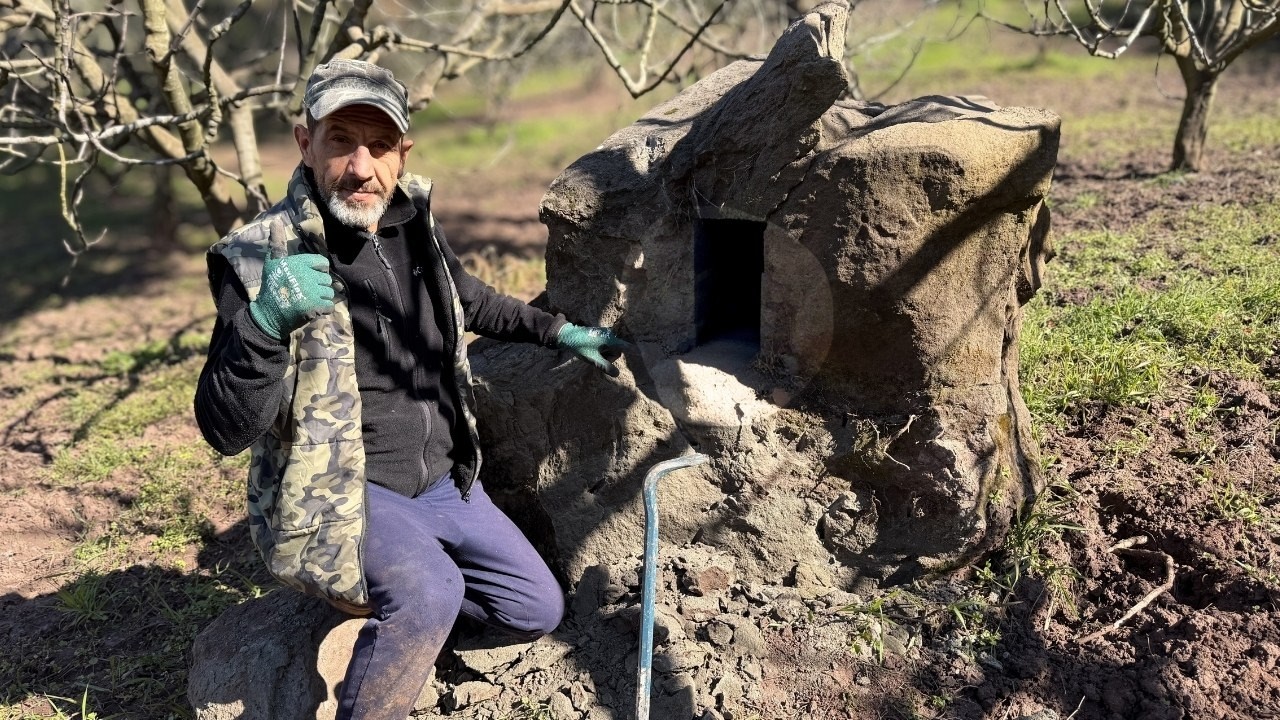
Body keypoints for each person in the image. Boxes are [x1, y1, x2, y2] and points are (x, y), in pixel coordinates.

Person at [193, 58, 626, 720]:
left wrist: (558, 331)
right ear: (305, 141)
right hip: (346, 491)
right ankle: (387, 655)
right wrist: (261, 324)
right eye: (341, 141)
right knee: (430, 588)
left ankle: (391, 631)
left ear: (403, 152)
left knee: (534, 607)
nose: (361, 167)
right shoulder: (258, 257)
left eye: (379, 145)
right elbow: (226, 427)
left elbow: (466, 299)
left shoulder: (413, 220)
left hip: (446, 483)